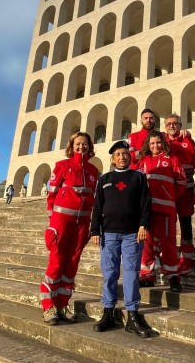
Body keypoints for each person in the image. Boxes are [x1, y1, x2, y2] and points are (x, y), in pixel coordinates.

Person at [91, 140, 152, 338]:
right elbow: (98, 206)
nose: (122, 157)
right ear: (112, 158)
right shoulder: (105, 179)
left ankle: (132, 315)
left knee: (132, 274)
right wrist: (95, 231)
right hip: (108, 234)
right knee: (109, 273)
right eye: (118, 154)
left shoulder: (138, 177)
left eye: (125, 153)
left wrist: (143, 225)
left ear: (130, 156)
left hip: (132, 234)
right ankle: (108, 312)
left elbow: (146, 203)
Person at [40, 132, 99, 325]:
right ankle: (48, 305)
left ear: (90, 147)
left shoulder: (92, 170)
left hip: (82, 222)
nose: (81, 147)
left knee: (72, 262)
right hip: (62, 220)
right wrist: (52, 219)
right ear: (72, 146)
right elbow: (52, 193)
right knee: (57, 260)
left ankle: (62, 304)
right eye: (78, 144)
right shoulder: (62, 166)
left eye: (85, 144)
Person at [137, 130, 187, 292]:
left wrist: (170, 197)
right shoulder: (143, 161)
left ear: (163, 143)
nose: (155, 146)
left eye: (158, 142)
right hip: (146, 210)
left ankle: (173, 277)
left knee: (168, 243)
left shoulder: (171, 159)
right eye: (152, 143)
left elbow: (181, 182)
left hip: (166, 208)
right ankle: (147, 275)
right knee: (147, 244)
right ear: (148, 145)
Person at [163, 113, 195, 274]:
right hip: (167, 190)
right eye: (169, 123)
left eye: (175, 123)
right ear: (165, 126)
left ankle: (186, 261)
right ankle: (168, 260)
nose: (172, 126)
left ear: (180, 125)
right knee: (167, 227)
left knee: (185, 224)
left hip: (186, 189)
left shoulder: (188, 141)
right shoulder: (161, 142)